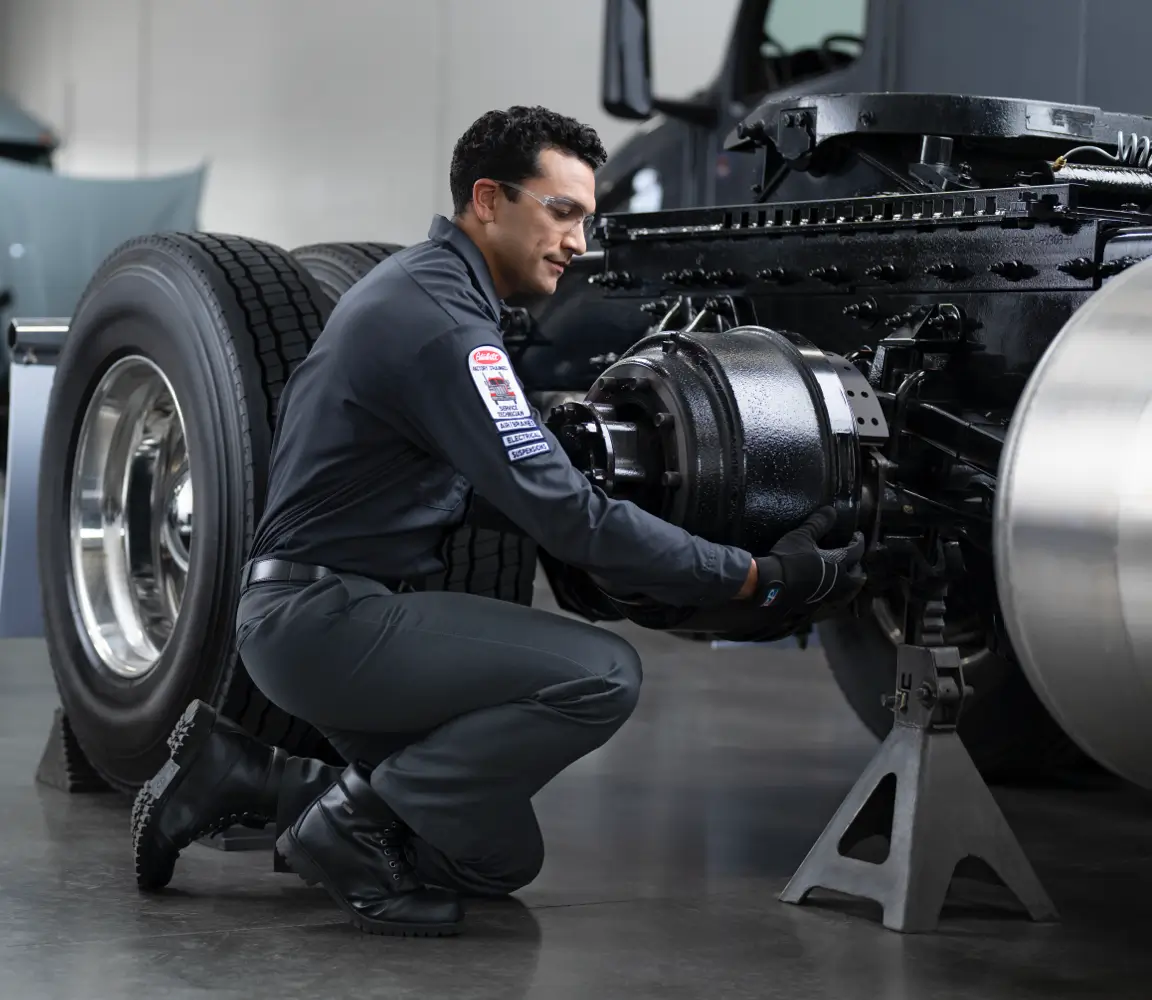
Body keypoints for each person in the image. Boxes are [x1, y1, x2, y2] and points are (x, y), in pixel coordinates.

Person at [129, 106, 865, 938]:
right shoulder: (445, 326)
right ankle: (342, 827)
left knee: (492, 861)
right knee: (604, 674)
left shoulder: (424, 292)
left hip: (320, 616)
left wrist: (627, 531)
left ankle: (247, 778)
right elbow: (566, 516)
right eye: (561, 213)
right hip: (324, 620)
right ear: (488, 200)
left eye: (586, 219)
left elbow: (504, 495)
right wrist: (753, 576)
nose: (579, 243)